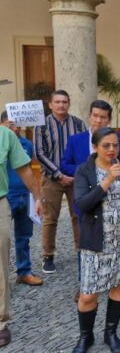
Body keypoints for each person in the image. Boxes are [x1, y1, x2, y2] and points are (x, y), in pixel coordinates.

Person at [71, 127, 120, 353]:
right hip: (96, 243)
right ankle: (85, 337)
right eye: (106, 145)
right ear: (95, 147)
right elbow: (83, 205)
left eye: (115, 145)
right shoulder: (84, 170)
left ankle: (111, 333)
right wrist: (107, 181)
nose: (112, 149)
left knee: (119, 287)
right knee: (88, 294)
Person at [0, 124, 44, 348]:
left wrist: (37, 197)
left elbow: (25, 169)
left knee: (0, 266)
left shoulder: (5, 135)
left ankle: (0, 322)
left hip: (0, 203)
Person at [34, 89, 86, 274]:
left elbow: (84, 150)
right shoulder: (41, 125)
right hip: (51, 178)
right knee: (50, 218)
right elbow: (39, 153)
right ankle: (48, 255)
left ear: (69, 104)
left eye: (65, 102)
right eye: (57, 102)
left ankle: (82, 250)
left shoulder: (79, 124)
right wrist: (59, 174)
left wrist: (77, 174)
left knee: (78, 215)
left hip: (75, 178)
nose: (61, 105)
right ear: (50, 105)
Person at [0, 112, 43, 287]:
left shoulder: (27, 144)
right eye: (11, 124)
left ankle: (24, 271)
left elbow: (32, 168)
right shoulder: (3, 139)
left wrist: (37, 194)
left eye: (18, 125)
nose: (15, 128)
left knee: (24, 236)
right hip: (6, 195)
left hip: (25, 194)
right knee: (3, 239)